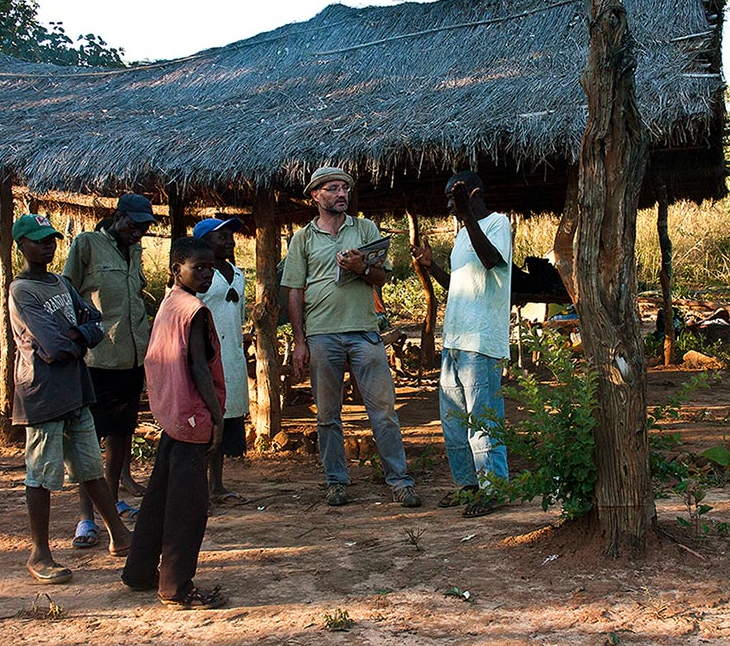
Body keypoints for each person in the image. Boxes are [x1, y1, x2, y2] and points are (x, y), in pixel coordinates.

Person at [281, 166, 420, 508]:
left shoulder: (366, 229)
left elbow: (381, 277)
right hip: (321, 335)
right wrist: (299, 341)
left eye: (344, 188)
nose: (341, 193)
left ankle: (400, 481)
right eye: (332, 188)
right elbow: (294, 291)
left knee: (383, 412)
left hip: (364, 332)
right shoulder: (303, 239)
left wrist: (361, 269)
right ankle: (336, 482)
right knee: (327, 415)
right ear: (316, 195)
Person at [8, 214, 133, 584]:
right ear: (21, 245)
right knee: (41, 474)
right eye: (38, 240)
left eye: (50, 239)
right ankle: (39, 553)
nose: (47, 246)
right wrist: (79, 337)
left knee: (89, 466)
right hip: (43, 394)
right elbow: (53, 345)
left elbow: (95, 322)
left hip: (75, 388)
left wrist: (77, 335)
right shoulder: (22, 290)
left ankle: (119, 535)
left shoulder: (61, 282)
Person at [121, 237, 228, 610]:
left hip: (171, 413)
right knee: (188, 507)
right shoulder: (193, 310)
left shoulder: (170, 302)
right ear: (176, 270)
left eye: (210, 268)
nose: (207, 274)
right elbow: (198, 366)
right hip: (192, 416)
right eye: (198, 268)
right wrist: (217, 417)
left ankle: (139, 571)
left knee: (159, 498)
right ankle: (176, 585)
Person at [410, 171, 512, 517]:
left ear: (474, 193)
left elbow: (491, 260)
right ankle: (469, 485)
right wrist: (431, 265)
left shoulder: (498, 224)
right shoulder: (461, 236)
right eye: (449, 200)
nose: (450, 206)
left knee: (483, 420)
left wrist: (468, 217)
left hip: (480, 341)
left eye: (455, 197)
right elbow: (456, 284)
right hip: (454, 340)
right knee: (454, 424)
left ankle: (494, 488)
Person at [63, 193, 155, 548]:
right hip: (96, 359)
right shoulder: (87, 244)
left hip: (130, 359)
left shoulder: (135, 250)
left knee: (120, 435)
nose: (138, 232)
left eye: (144, 227)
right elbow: (67, 292)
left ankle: (112, 501)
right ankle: (86, 517)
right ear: (118, 216)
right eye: (133, 224)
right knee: (89, 441)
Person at [192, 217, 250, 507]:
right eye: (222, 237)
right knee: (205, 423)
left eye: (230, 236)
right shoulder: (198, 277)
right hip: (205, 358)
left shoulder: (237, 274)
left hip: (231, 358)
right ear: (204, 242)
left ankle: (216, 485)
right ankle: (197, 489)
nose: (230, 241)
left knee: (223, 422)